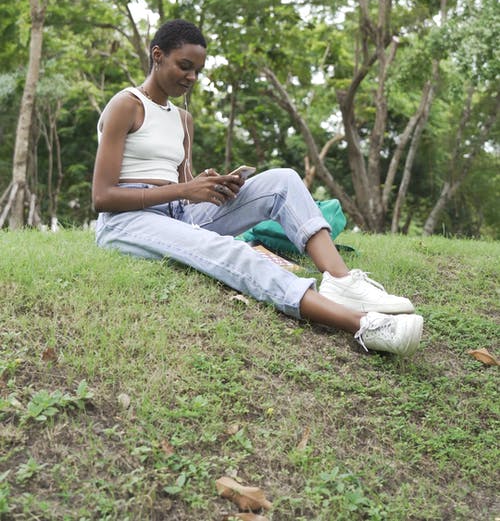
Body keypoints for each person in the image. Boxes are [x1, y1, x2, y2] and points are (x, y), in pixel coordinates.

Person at [93, 19, 423, 357]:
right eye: (185, 66)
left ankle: (341, 281)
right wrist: (184, 191)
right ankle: (365, 326)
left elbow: (184, 186)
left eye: (197, 71)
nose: (192, 77)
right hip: (127, 220)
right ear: (157, 55)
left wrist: (212, 186)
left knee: (284, 180)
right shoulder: (127, 104)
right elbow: (102, 198)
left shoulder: (182, 119)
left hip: (178, 213)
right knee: (232, 250)